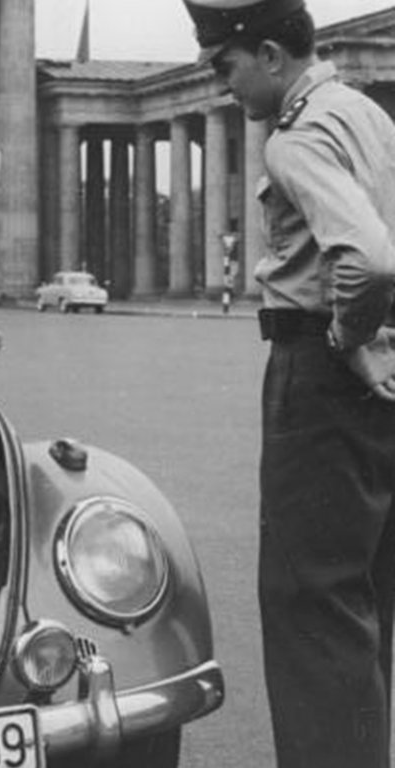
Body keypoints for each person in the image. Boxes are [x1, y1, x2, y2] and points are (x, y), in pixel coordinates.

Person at [182, 0, 395, 765]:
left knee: (310, 608)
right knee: (360, 608)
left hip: (321, 371)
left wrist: (348, 334)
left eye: (226, 67)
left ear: (270, 54)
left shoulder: (296, 140)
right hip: (382, 387)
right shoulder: (365, 115)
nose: (224, 87)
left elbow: (369, 258)